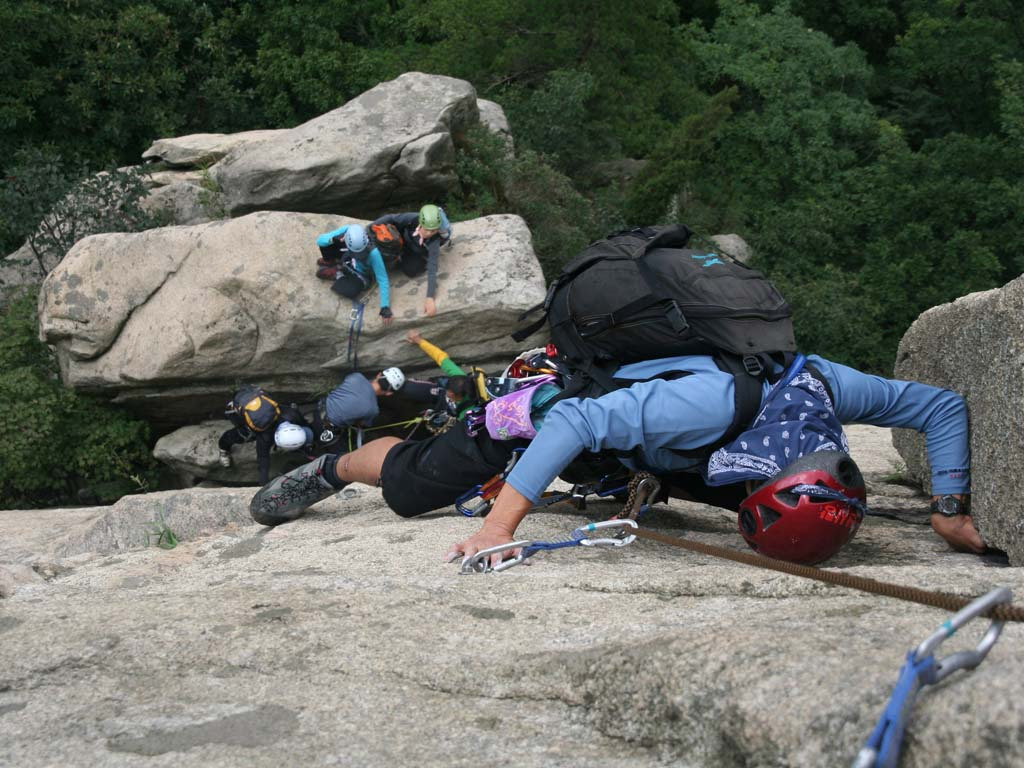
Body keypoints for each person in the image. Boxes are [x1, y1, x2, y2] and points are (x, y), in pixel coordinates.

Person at [249, 352, 984, 563]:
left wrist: (948, 510)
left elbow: (940, 407)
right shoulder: (712, 407)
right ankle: (336, 466)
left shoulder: (824, 389)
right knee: (415, 485)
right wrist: (502, 526)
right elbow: (570, 421)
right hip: (550, 404)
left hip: (636, 436)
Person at [218, 388, 313, 485]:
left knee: (309, 433)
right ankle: (223, 450)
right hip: (248, 411)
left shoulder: (291, 414)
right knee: (237, 436)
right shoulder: (266, 436)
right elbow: (263, 459)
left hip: (255, 396)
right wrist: (263, 484)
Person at [371, 204, 451, 317]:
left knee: (411, 270)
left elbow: (432, 267)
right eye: (427, 229)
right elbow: (391, 218)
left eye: (433, 231)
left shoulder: (434, 239)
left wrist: (430, 297)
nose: (429, 234)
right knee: (385, 245)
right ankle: (396, 255)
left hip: (415, 251)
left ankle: (400, 258)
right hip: (404, 240)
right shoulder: (412, 218)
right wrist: (371, 227)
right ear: (421, 223)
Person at [315, 223, 393, 325]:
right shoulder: (347, 231)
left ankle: (338, 273)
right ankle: (330, 261)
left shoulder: (374, 253)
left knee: (351, 291)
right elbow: (320, 241)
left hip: (359, 272)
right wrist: (334, 240)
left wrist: (385, 306)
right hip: (347, 256)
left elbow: (382, 278)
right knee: (326, 244)